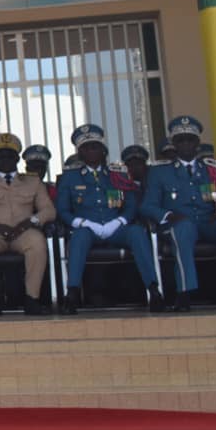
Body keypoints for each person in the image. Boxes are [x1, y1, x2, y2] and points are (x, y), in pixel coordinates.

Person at [140, 115, 216, 313]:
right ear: (173, 144)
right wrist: (169, 215)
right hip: (179, 223)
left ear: (197, 143)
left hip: (209, 221)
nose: (185, 144)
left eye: (190, 140)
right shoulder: (160, 172)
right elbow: (148, 205)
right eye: (180, 140)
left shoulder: (213, 169)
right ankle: (184, 293)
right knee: (183, 229)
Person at [55, 125, 162, 314]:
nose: (92, 152)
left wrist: (119, 221)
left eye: (95, 147)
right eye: (87, 148)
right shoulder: (70, 177)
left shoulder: (117, 175)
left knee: (137, 233)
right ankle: (71, 294)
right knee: (78, 238)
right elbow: (63, 210)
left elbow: (130, 205)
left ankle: (153, 290)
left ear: (103, 151)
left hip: (116, 226)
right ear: (80, 153)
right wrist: (83, 223)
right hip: (87, 227)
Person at [0, 133, 56, 316]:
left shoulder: (33, 181)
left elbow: (48, 211)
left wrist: (30, 222)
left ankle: (32, 299)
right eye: (0, 156)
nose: (5, 160)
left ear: (17, 158)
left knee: (38, 243)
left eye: (9, 155)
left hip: (24, 231)